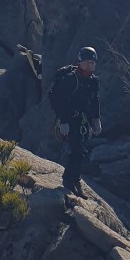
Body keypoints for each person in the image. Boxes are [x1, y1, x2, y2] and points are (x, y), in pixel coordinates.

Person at [48, 46, 102, 196]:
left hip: (82, 122)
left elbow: (94, 100)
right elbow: (56, 98)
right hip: (70, 119)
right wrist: (63, 121)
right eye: (87, 63)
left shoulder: (93, 81)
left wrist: (96, 119)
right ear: (80, 63)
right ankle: (69, 181)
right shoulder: (71, 79)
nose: (90, 66)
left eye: (92, 63)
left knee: (80, 151)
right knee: (78, 151)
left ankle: (74, 180)